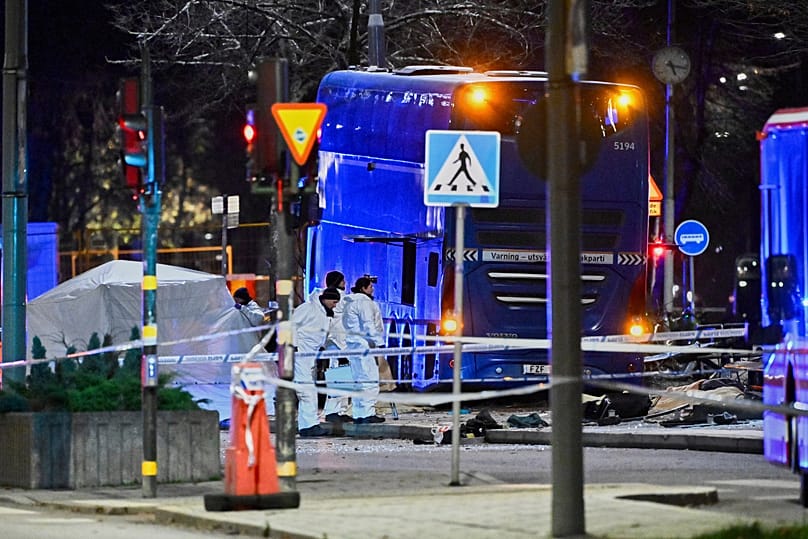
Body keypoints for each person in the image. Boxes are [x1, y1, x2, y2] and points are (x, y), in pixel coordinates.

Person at [291, 287, 342, 437]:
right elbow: (291, 325)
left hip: (308, 356)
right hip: (300, 354)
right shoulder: (307, 309)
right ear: (326, 299)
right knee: (306, 391)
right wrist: (293, 346)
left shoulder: (324, 313)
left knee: (308, 389)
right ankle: (309, 426)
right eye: (334, 302)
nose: (335, 305)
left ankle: (308, 425)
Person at [342, 276, 385, 424]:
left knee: (358, 381)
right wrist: (379, 343)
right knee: (369, 379)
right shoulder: (364, 303)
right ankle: (367, 413)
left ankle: (359, 413)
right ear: (363, 288)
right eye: (370, 287)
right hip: (364, 346)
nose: (372, 289)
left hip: (352, 345)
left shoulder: (349, 302)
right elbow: (369, 325)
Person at [320, 270, 353, 424]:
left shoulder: (322, 297)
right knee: (340, 376)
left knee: (336, 375)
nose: (345, 283)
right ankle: (335, 411)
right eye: (343, 280)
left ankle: (335, 410)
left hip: (331, 342)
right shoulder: (342, 299)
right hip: (340, 342)